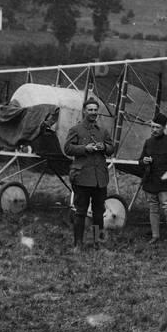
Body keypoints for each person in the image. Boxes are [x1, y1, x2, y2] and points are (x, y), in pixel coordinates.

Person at [64, 99, 116, 249]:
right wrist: (84, 148)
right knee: (80, 212)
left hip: (100, 179)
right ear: (84, 111)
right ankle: (78, 244)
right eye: (90, 110)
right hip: (82, 178)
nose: (93, 112)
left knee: (99, 213)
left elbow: (111, 148)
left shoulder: (103, 131)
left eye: (95, 110)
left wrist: (104, 146)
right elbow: (67, 148)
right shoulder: (76, 129)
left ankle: (97, 243)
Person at [139, 112, 167, 246]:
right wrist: (144, 161)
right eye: (152, 127)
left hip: (166, 183)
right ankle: (155, 236)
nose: (154, 130)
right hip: (150, 181)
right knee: (153, 209)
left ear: (164, 128)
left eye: (157, 127)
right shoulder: (148, 142)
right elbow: (140, 161)